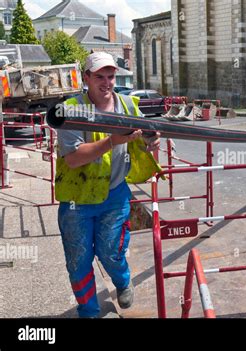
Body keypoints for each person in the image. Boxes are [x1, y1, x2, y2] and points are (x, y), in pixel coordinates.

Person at [55, 52, 161, 318]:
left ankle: (123, 281)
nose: (106, 82)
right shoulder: (71, 110)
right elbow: (74, 159)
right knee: (78, 261)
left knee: (111, 251)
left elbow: (144, 139)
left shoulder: (127, 105)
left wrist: (151, 141)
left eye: (111, 76)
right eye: (99, 76)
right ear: (86, 78)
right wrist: (112, 141)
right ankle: (89, 312)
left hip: (114, 195)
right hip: (77, 199)